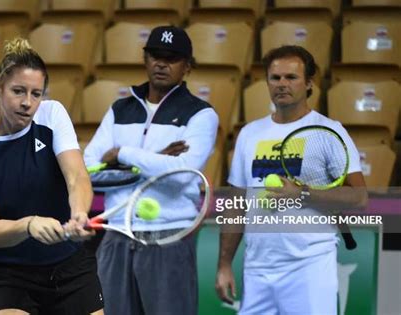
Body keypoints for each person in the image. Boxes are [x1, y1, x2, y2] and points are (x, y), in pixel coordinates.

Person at [0, 38, 104, 315]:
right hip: (10, 276)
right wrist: (28, 226)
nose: (27, 103)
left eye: (36, 93)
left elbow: (76, 176)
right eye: (18, 91)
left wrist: (79, 212)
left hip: (70, 268)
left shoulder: (52, 114)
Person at [215, 45, 368, 314]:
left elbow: (358, 197)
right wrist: (224, 264)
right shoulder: (250, 134)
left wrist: (303, 193)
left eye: (291, 77)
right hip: (257, 267)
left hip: (310, 265)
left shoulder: (329, 132)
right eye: (275, 78)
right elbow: (236, 203)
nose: (282, 84)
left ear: (309, 83)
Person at [84, 25, 219, 315]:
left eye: (171, 58)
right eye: (155, 55)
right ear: (145, 59)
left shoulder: (201, 114)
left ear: (187, 67)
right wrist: (154, 159)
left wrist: (122, 154)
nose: (161, 63)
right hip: (116, 233)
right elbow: (88, 171)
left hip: (168, 236)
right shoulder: (119, 109)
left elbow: (182, 175)